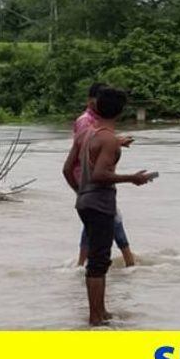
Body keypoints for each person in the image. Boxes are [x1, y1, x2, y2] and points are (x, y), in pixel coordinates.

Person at [62, 87, 153, 326]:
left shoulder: (85, 135)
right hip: (100, 203)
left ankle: (101, 311)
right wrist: (132, 178)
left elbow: (66, 169)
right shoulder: (109, 140)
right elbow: (100, 174)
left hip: (84, 202)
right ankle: (96, 317)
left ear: (95, 106)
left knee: (97, 259)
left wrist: (81, 192)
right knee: (99, 262)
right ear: (121, 112)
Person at [72, 83, 136, 268]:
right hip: (91, 182)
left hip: (87, 184)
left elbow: (87, 148)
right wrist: (132, 178)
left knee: (95, 223)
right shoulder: (87, 121)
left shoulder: (98, 125)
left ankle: (81, 263)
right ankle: (129, 261)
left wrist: (115, 141)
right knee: (112, 218)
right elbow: (87, 147)